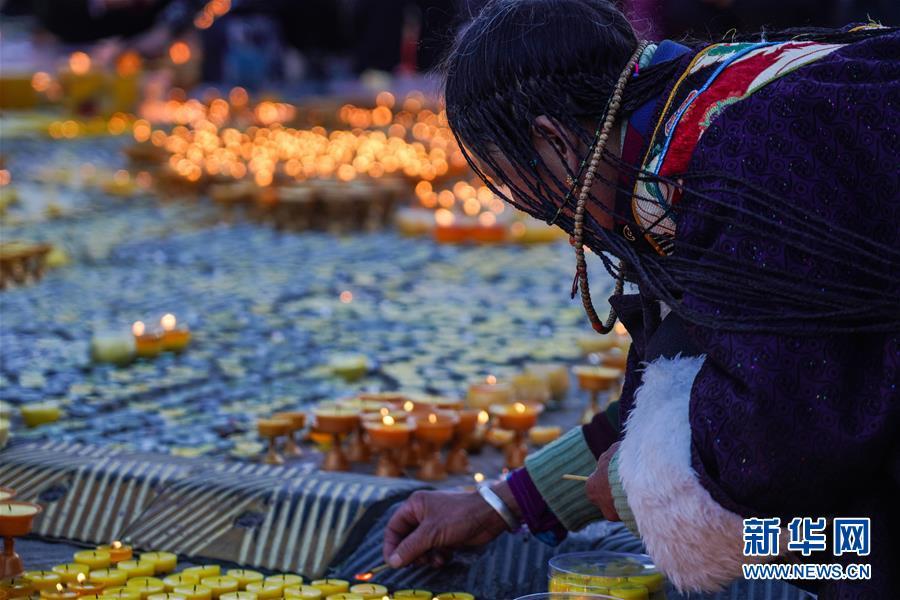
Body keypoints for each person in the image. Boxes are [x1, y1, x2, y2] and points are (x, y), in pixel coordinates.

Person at [382, 1, 900, 597]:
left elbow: (776, 442)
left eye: (514, 177)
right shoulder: (685, 119)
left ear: (553, 142)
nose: (534, 208)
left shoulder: (738, 164)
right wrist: (501, 505)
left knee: (839, 548)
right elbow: (691, 376)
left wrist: (635, 495)